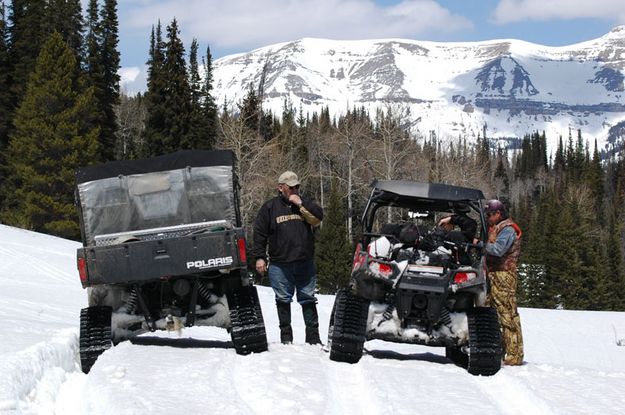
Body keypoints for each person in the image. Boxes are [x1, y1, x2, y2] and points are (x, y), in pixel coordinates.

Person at [253, 171, 324, 345]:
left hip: (304, 263)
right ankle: (286, 338)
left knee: (307, 299)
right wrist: (260, 257)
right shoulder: (269, 208)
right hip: (279, 265)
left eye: (297, 186)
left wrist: (301, 203)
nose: (294, 189)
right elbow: (259, 234)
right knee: (283, 300)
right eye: (290, 187)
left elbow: (318, 217)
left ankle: (313, 339)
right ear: (280, 188)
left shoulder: (303, 204)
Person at [483, 199, 524, 365]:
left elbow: (498, 250)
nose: (487, 218)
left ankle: (514, 354)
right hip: (494, 274)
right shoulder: (497, 228)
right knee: (492, 314)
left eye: (489, 215)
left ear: (498, 213)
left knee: (507, 314)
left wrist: (480, 245)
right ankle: (499, 351)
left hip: (504, 275)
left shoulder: (507, 229)